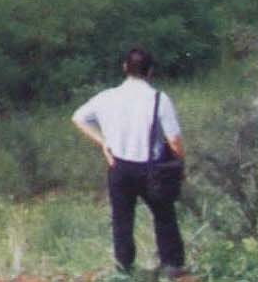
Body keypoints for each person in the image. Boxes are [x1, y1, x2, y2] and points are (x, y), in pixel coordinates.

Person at [73, 47, 185, 276]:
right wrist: (180, 165)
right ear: (150, 71)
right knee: (164, 215)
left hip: (119, 166)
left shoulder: (106, 97)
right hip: (151, 168)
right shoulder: (159, 99)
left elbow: (78, 118)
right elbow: (174, 141)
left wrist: (103, 142)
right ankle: (171, 266)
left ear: (125, 68)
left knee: (122, 219)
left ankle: (125, 269)